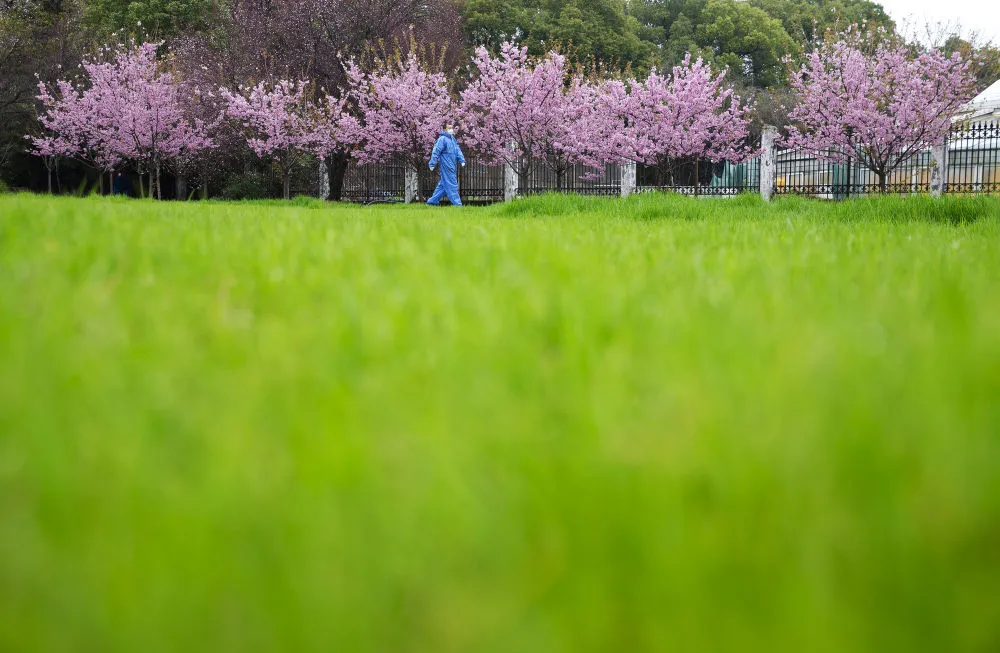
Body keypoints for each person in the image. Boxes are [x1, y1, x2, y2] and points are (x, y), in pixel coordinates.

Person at [427, 122, 466, 206]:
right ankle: (458, 204)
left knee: (443, 186)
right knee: (452, 184)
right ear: (444, 129)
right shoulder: (442, 139)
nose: (451, 130)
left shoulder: (452, 139)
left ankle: (431, 202)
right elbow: (436, 151)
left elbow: (457, 150)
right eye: (449, 128)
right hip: (446, 166)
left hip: (452, 166)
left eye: (451, 128)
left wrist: (462, 159)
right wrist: (432, 164)